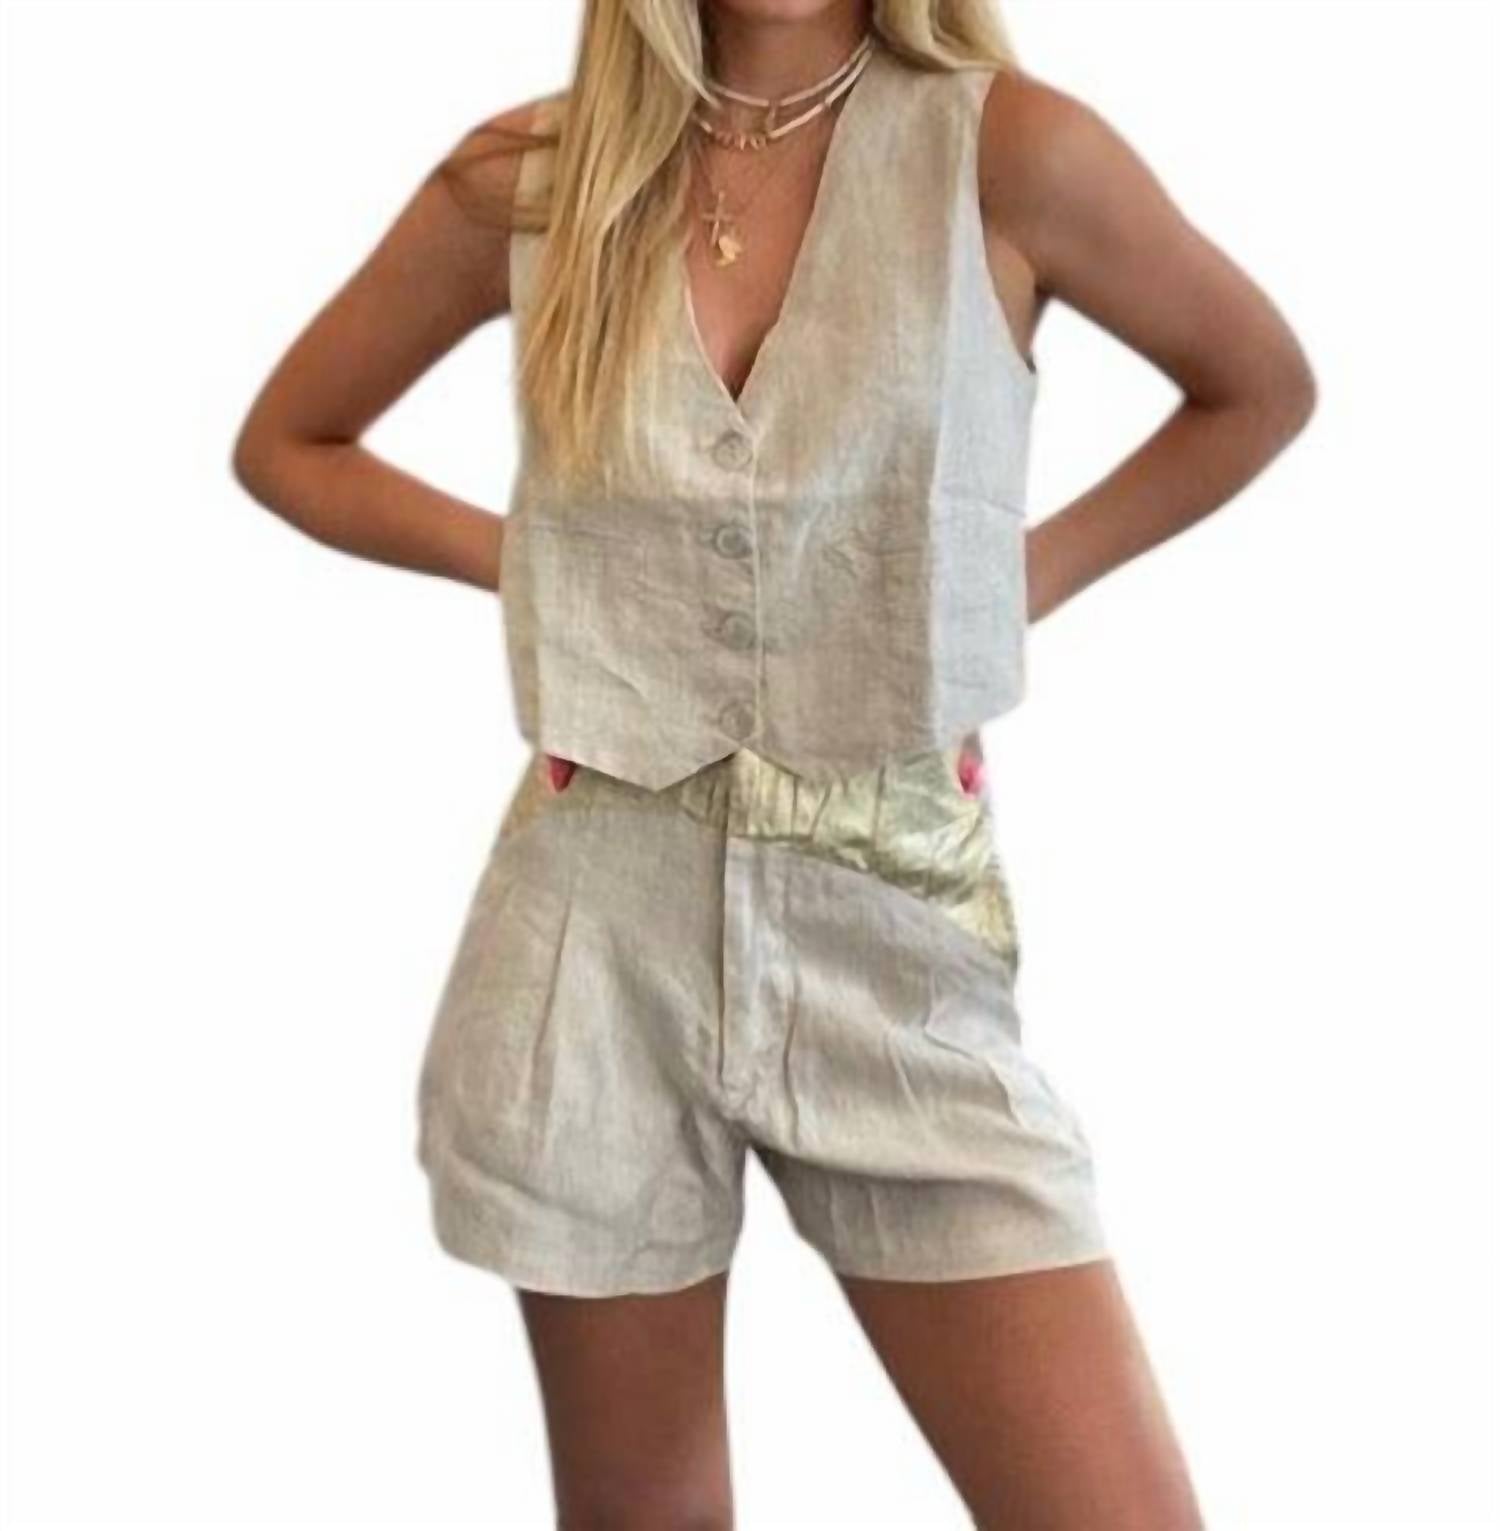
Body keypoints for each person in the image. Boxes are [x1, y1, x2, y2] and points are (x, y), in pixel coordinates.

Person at [230, 0, 1315, 1524]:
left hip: (890, 918)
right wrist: (549, 570)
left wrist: (1012, 578)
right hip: (593, 929)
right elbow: (290, 441)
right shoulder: (536, 178)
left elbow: (1258, 383)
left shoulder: (1013, 151)